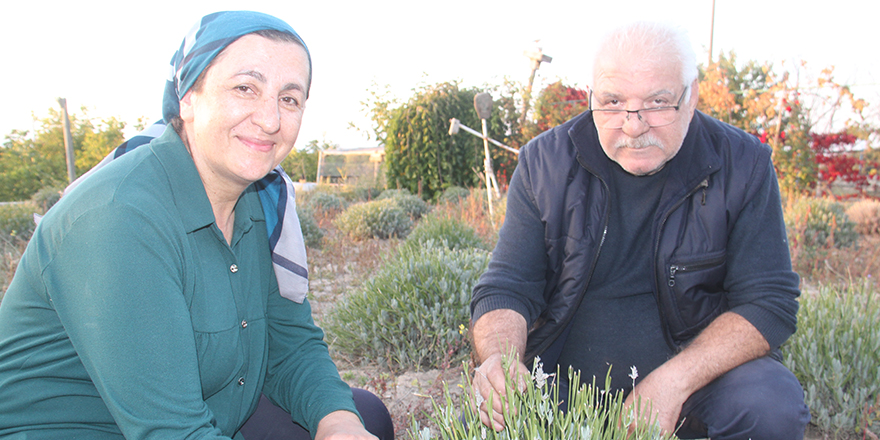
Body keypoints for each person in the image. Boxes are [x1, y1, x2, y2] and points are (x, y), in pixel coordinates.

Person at [0, 11, 393, 440]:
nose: (270, 119)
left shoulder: (260, 201)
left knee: (362, 416)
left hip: (207, 410)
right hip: (83, 428)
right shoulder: (121, 218)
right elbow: (170, 430)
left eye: (289, 98)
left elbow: (291, 346)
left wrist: (340, 425)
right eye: (246, 88)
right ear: (187, 97)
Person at [469, 21, 811, 439]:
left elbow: (768, 302)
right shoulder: (545, 163)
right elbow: (507, 286)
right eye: (612, 101)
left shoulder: (743, 164)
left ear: (692, 97)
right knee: (493, 409)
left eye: (657, 102)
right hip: (562, 388)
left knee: (770, 404)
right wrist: (502, 362)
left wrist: (672, 382)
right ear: (591, 95)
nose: (633, 124)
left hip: (692, 386)